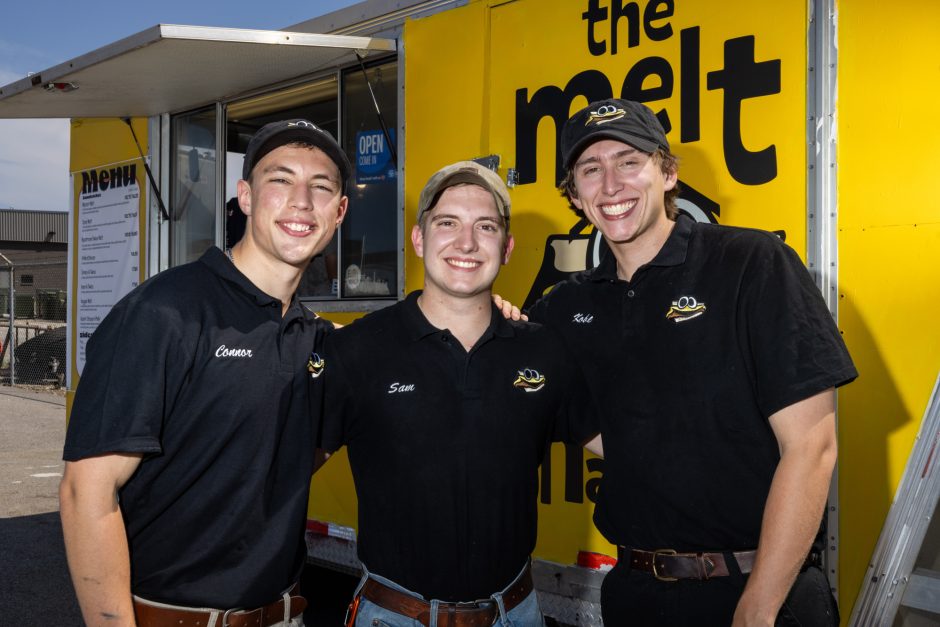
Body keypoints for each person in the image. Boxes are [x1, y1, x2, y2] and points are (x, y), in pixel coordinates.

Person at [526, 99, 858, 626]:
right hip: (635, 593)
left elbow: (812, 446)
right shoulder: (568, 306)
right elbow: (510, 373)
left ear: (668, 171)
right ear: (576, 195)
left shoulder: (750, 263)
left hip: (758, 593)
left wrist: (759, 606)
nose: (611, 185)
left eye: (629, 161)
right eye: (590, 170)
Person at [60, 119, 351, 627]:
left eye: (321, 187)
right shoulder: (164, 312)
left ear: (339, 212)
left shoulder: (315, 338)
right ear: (245, 196)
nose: (302, 201)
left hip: (283, 614)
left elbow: (298, 450)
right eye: (280, 180)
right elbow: (85, 491)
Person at [316, 161, 600, 627]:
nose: (466, 242)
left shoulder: (543, 350)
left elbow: (629, 447)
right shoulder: (357, 350)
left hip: (517, 614)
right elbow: (278, 476)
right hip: (394, 617)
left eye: (484, 227)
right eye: (447, 223)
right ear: (418, 238)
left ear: (506, 248)